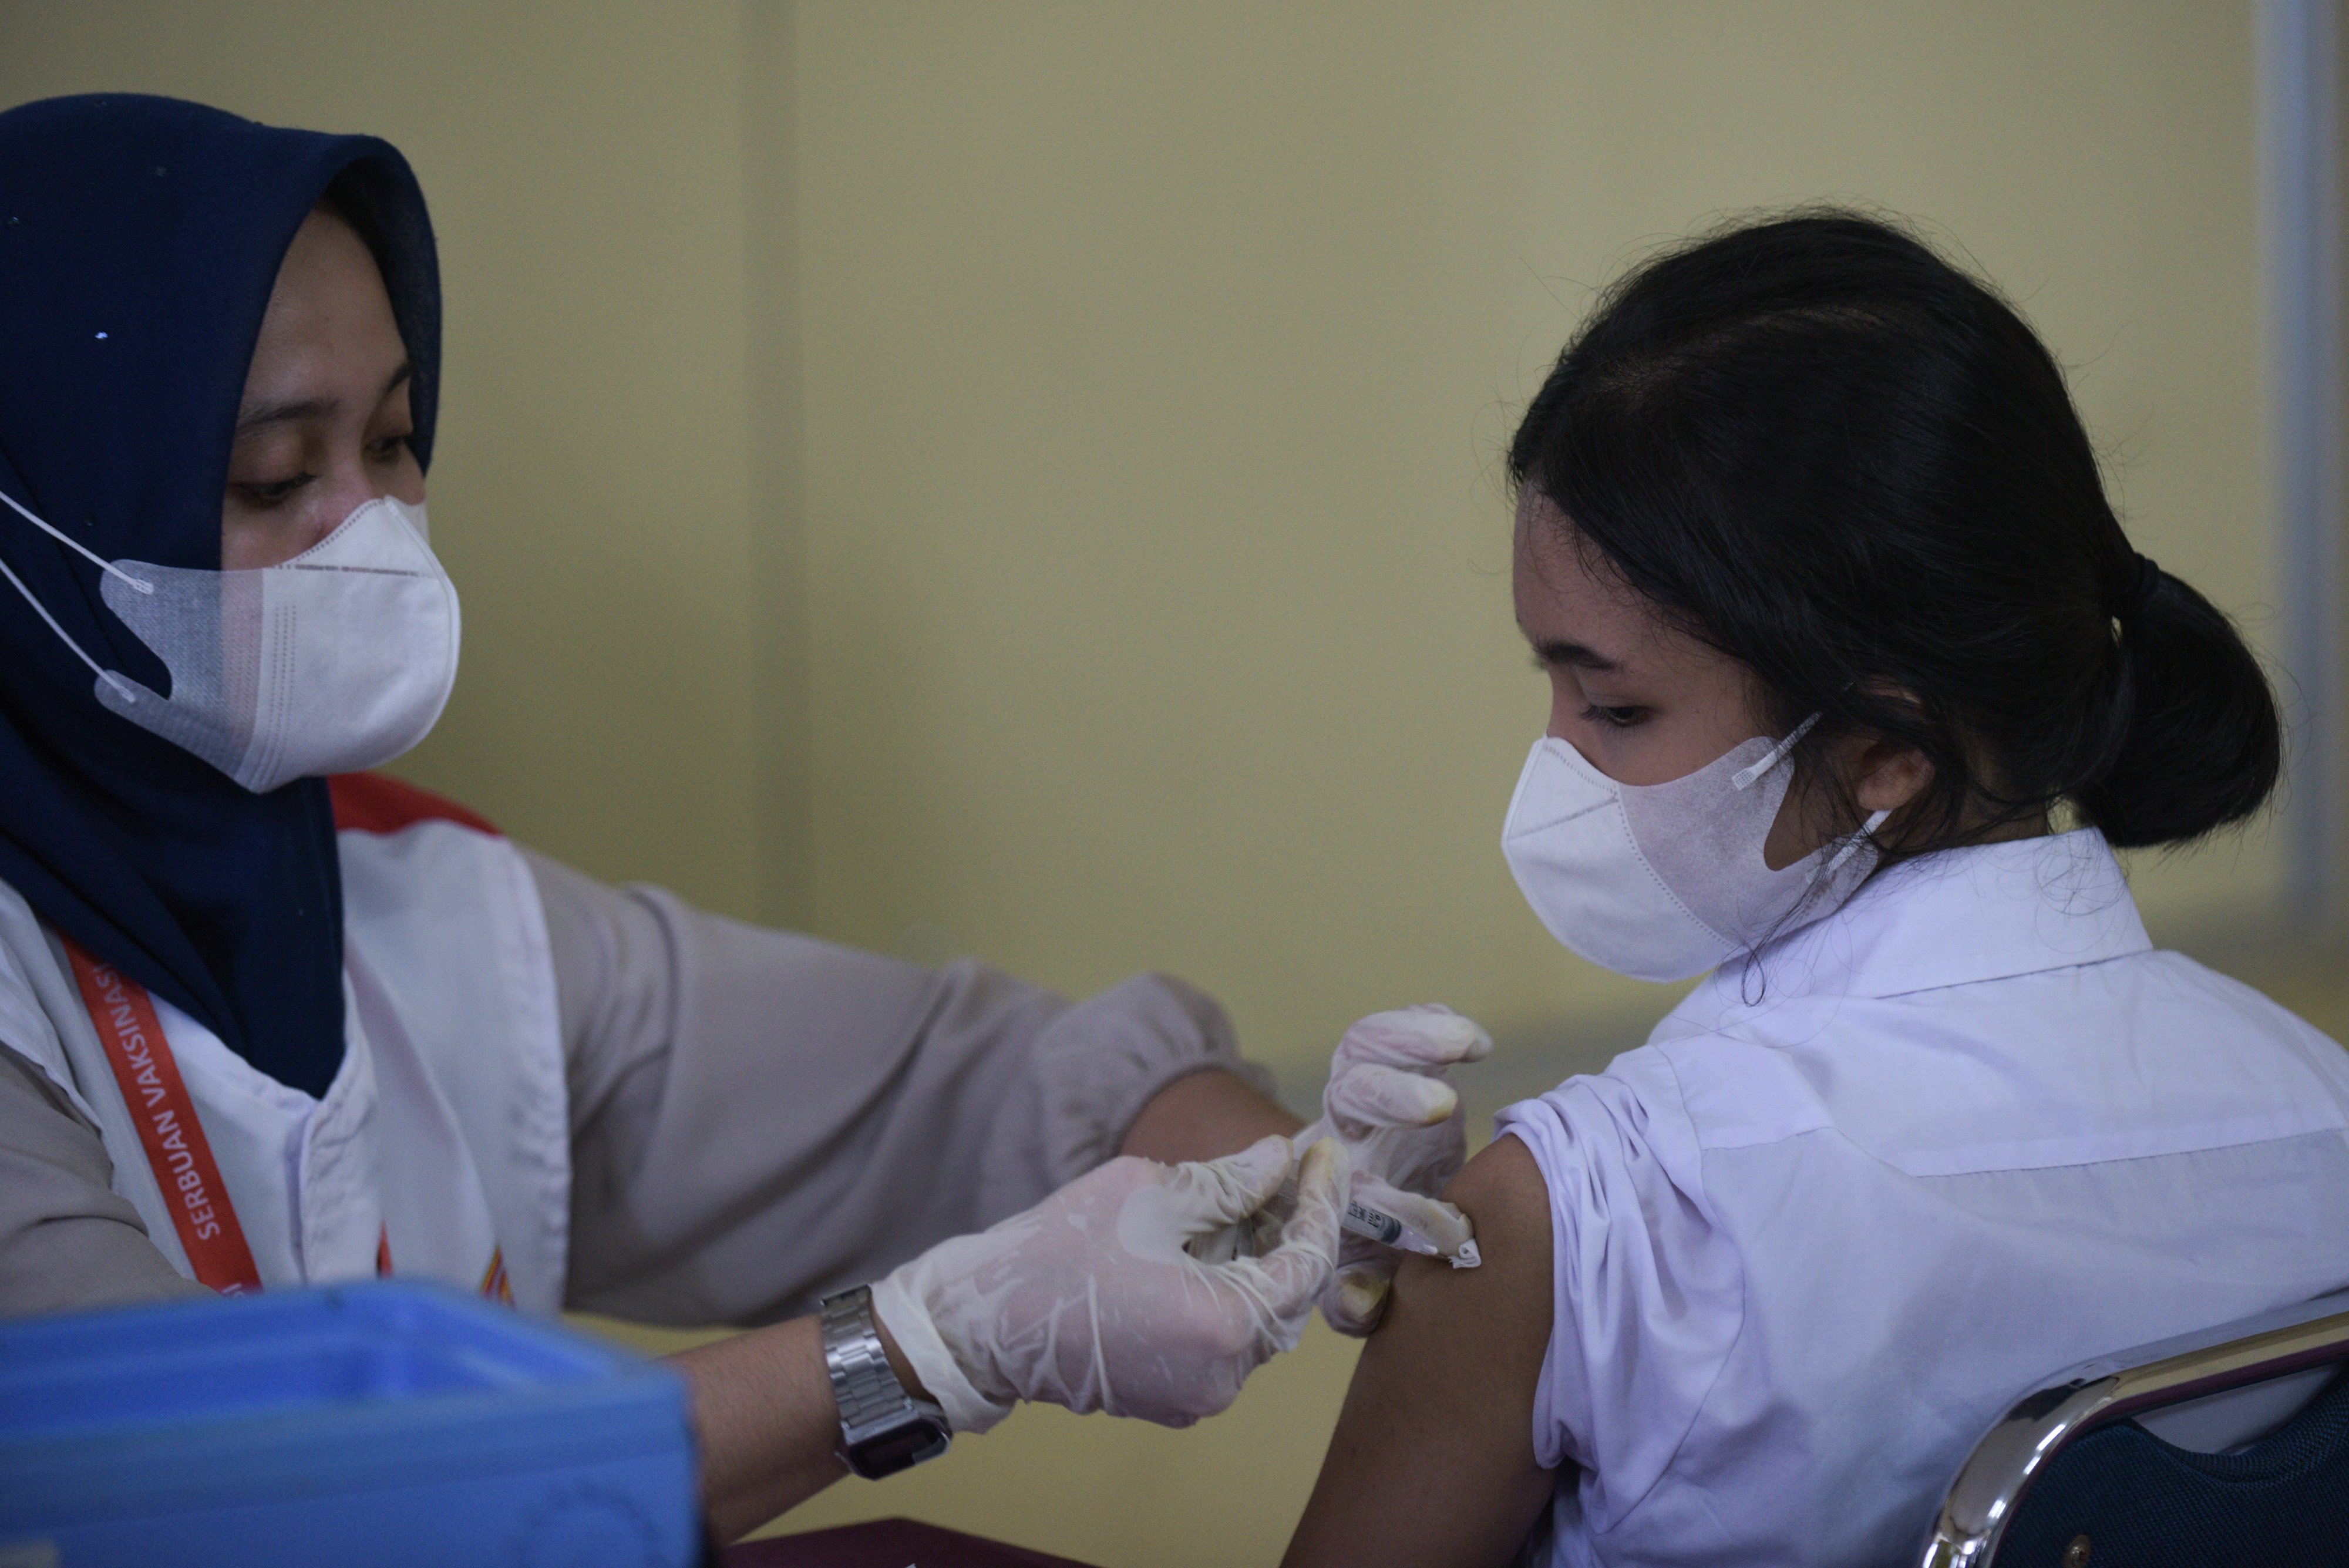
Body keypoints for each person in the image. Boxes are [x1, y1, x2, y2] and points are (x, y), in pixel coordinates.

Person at [0, 94, 1483, 1542]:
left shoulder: (416, 900)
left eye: (394, 444)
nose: (369, 536)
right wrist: (917, 1352)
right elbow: (244, 1488)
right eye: (274, 473)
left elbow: (947, 1094)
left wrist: (1305, 1180)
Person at [1283, 212, 2349, 1567]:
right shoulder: (2318, 1113)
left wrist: (1480, 1263)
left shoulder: (1595, 1222)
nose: (1553, 759)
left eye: (1611, 706)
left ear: (1883, 754)